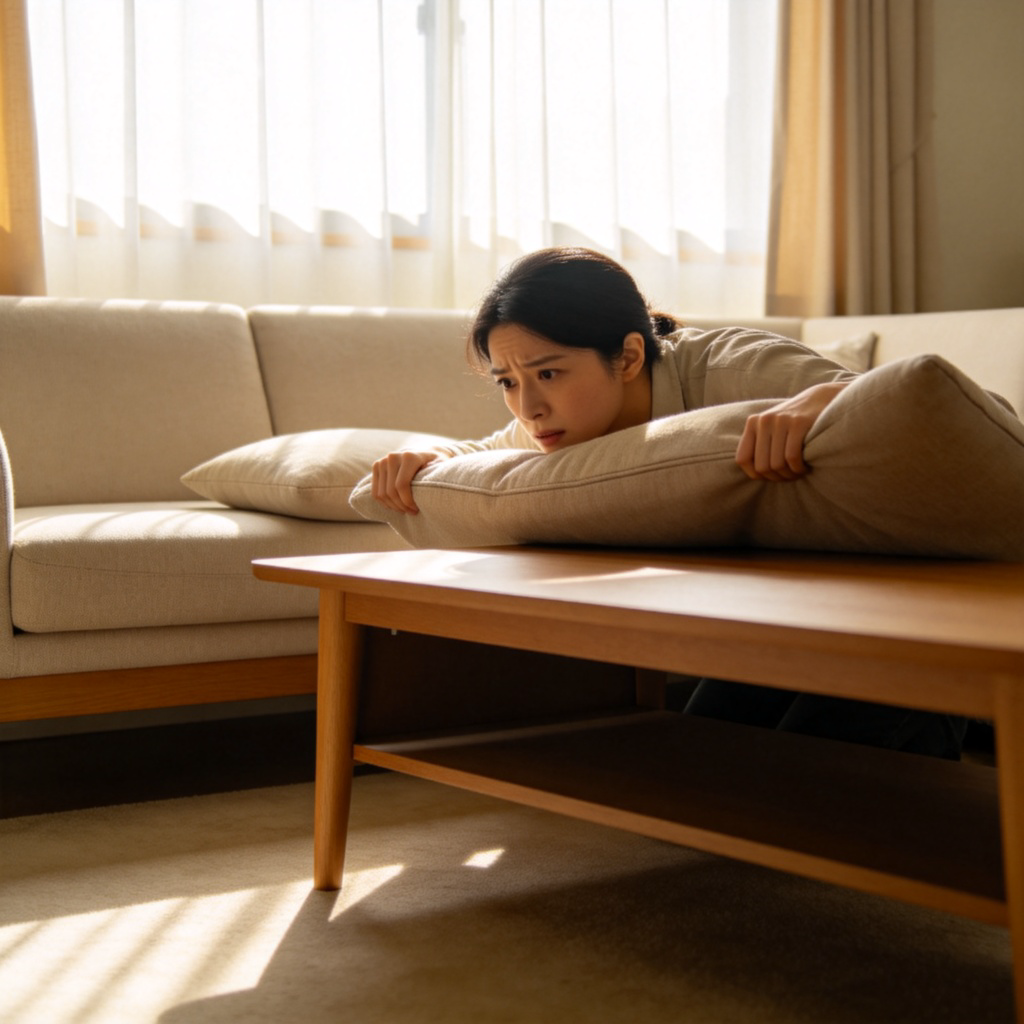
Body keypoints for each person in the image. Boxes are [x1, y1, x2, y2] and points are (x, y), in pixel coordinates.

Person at [371, 246, 967, 760]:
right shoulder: (560, 424)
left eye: (548, 374)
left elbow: (914, 407)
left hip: (906, 613)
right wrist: (425, 457)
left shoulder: (735, 367)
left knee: (797, 787)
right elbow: (485, 449)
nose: (527, 407)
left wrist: (819, 402)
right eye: (507, 382)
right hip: (796, 618)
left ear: (629, 357)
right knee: (711, 768)